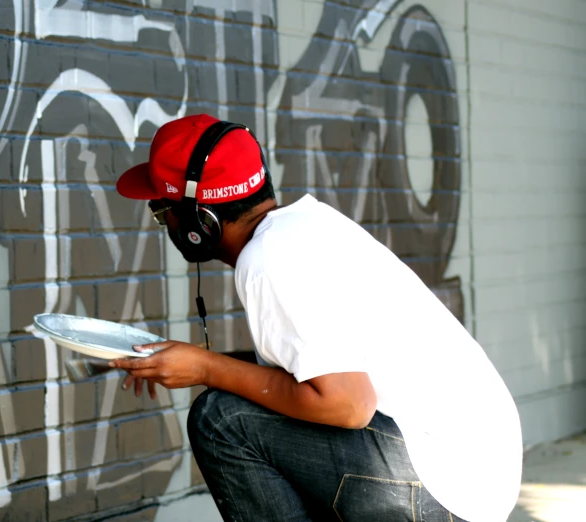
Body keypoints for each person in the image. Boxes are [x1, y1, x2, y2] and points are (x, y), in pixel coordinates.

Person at [109, 114, 522, 522]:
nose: (165, 223)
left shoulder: (266, 260)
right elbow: (315, 371)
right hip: (474, 475)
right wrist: (191, 362)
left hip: (447, 488)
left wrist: (206, 368)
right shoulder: (307, 226)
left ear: (202, 222)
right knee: (256, 405)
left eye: (163, 211)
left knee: (221, 420)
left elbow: (348, 404)